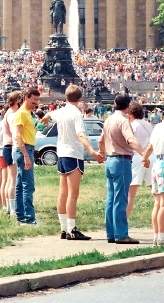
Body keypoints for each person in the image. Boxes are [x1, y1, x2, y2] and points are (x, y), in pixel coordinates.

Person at [47, 84, 104, 240]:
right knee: (73, 193)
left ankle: (63, 228)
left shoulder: (61, 111)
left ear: (66, 97)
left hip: (62, 153)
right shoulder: (76, 113)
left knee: (63, 192)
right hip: (73, 154)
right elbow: (81, 135)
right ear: (80, 99)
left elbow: (48, 116)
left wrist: (44, 120)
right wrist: (92, 151)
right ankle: (72, 229)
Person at [98, 93, 145, 244]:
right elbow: (131, 139)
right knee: (121, 199)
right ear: (128, 105)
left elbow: (101, 140)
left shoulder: (108, 120)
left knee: (111, 199)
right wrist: (143, 153)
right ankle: (121, 234)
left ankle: (111, 233)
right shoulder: (123, 121)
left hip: (110, 159)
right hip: (122, 160)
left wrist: (101, 152)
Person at [141, 110, 164, 246]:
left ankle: (157, 236)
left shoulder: (157, 127)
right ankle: (162, 236)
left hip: (157, 163)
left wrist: (144, 158)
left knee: (158, 203)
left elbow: (150, 146)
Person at [13, 87, 41, 225]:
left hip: (25, 149)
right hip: (24, 149)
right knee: (28, 185)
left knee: (20, 184)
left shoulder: (27, 113)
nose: (36, 102)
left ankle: (21, 215)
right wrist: (26, 155)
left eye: (37, 100)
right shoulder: (22, 113)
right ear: (26, 98)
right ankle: (29, 217)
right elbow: (18, 136)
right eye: (34, 99)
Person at [126, 101, 153, 219]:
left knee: (131, 194)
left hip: (137, 157)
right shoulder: (148, 124)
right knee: (157, 192)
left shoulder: (132, 125)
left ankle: (124, 221)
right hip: (151, 156)